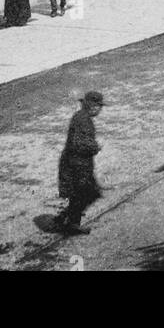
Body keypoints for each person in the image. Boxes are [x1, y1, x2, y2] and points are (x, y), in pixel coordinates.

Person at [56, 91, 104, 235]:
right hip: (76, 165)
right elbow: (78, 143)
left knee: (83, 193)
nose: (100, 109)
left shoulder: (81, 117)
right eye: (98, 106)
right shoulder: (83, 120)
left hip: (77, 163)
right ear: (92, 106)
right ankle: (72, 223)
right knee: (86, 193)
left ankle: (67, 216)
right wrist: (95, 147)